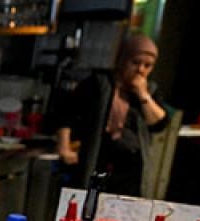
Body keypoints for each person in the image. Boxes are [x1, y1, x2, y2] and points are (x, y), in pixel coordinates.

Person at [52, 33, 170, 195]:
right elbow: (66, 113)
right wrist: (64, 146)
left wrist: (143, 95)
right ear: (122, 60)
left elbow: (159, 124)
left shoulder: (150, 90)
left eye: (147, 65)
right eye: (135, 63)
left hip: (130, 169)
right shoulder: (99, 83)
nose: (140, 70)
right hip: (97, 158)